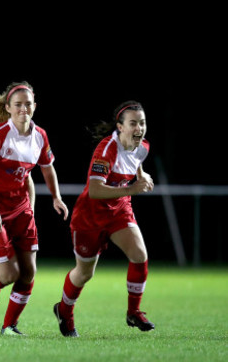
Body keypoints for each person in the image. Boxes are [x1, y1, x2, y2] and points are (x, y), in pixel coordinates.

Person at [0, 82, 69, 336]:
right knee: (7, 273)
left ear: (35, 106)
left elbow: (47, 167)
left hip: (20, 208)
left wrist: (56, 197)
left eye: (28, 104)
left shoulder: (40, 135)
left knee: (28, 272)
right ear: (9, 109)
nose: (24, 108)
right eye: (18, 104)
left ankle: (9, 326)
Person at [53, 101, 154, 337]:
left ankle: (133, 312)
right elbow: (96, 191)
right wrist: (133, 188)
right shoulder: (106, 149)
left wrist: (141, 175)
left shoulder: (143, 146)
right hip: (90, 216)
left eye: (142, 122)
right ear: (120, 127)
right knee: (84, 273)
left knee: (140, 255)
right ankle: (64, 311)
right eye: (133, 123)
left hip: (119, 211)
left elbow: (136, 162)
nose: (139, 128)